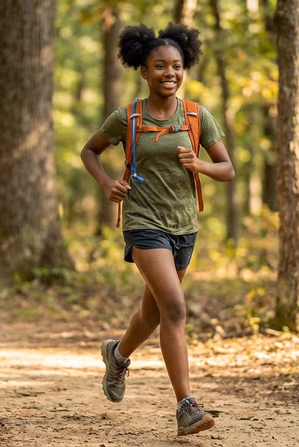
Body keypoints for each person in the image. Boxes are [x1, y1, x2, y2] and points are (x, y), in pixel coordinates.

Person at [80, 22, 235, 436]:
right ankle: (186, 405)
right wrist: (106, 183)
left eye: (177, 65)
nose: (170, 72)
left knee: (153, 313)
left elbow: (228, 169)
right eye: (160, 66)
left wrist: (199, 164)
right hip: (143, 222)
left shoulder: (197, 115)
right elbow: (89, 151)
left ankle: (117, 354)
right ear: (144, 71)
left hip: (185, 226)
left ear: (185, 69)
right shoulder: (128, 116)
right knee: (176, 308)